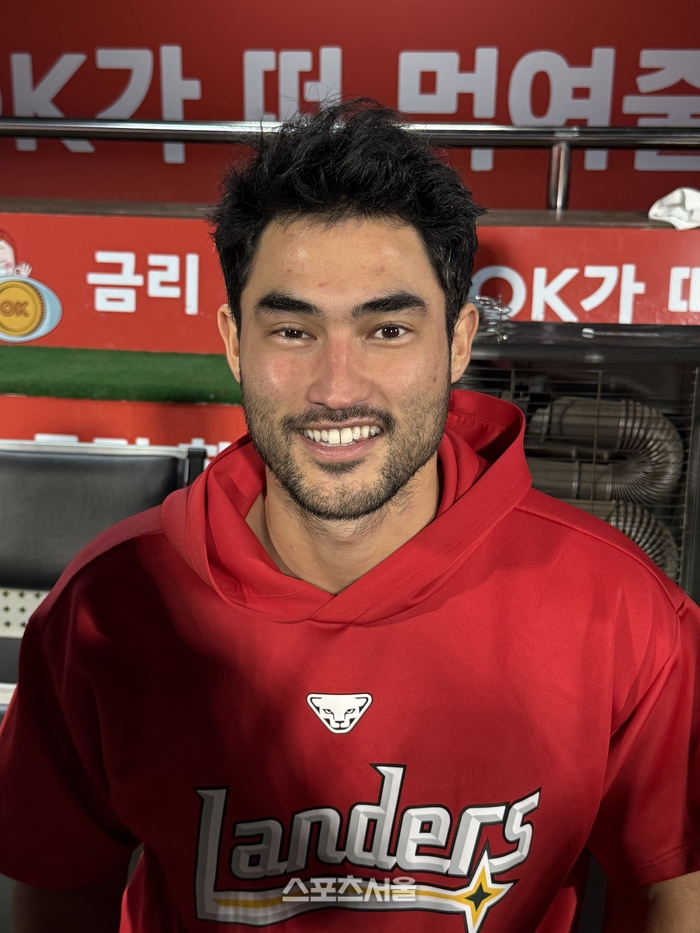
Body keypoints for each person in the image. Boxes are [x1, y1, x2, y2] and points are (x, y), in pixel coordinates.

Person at [0, 100, 698, 933]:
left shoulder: (623, 611)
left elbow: (671, 884)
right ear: (233, 342)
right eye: (294, 330)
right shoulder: (108, 608)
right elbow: (56, 889)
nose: (337, 387)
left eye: (388, 329)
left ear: (458, 341)